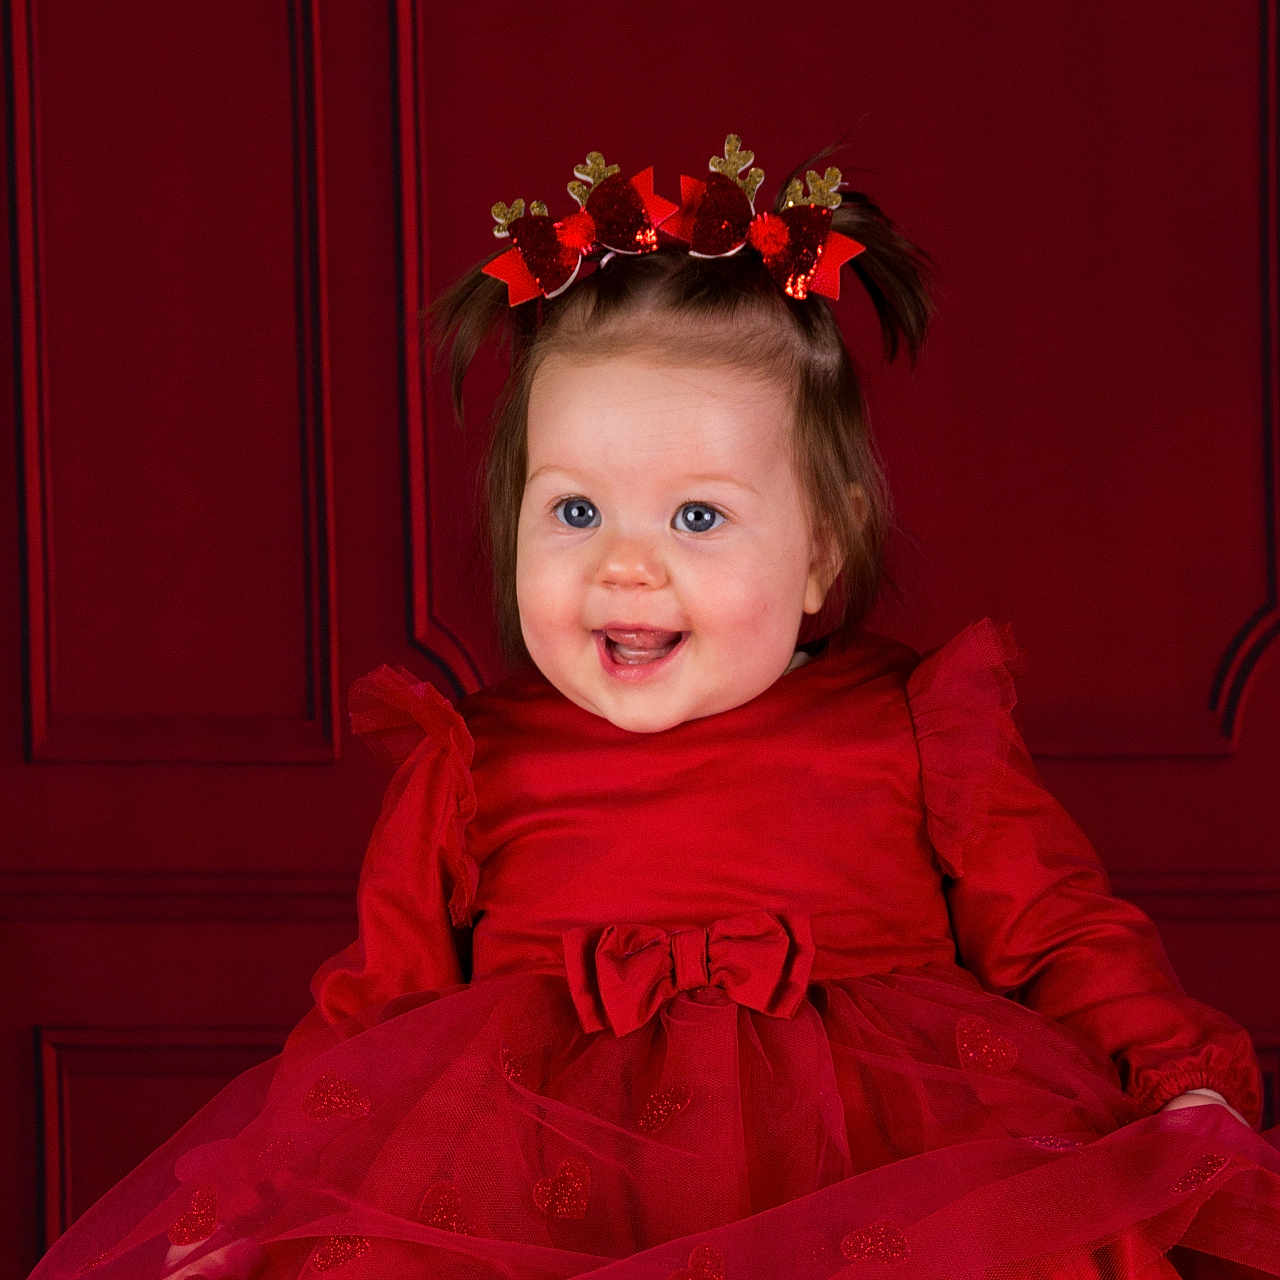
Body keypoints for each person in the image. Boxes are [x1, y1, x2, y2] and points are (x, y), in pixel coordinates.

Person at [28, 135, 1280, 1280]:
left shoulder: (912, 724)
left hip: (881, 1166)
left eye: (696, 517)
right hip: (521, 1193)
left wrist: (1179, 1080)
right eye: (574, 511)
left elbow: (1060, 929)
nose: (625, 566)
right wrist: (269, 1190)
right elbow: (375, 1012)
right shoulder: (474, 760)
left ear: (818, 557)